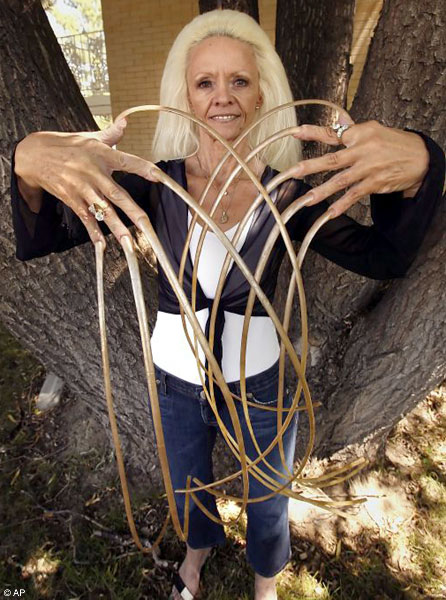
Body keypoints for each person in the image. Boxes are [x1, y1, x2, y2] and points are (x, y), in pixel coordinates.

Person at [11, 9, 445, 600]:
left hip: (262, 379)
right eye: (205, 82)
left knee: (268, 492)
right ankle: (196, 553)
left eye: (239, 81)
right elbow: (41, 238)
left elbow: (386, 257)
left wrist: (424, 164)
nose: (223, 97)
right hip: (175, 377)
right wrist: (29, 161)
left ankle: (265, 582)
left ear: (263, 89)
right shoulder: (151, 184)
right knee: (188, 480)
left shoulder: (292, 192)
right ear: (184, 96)